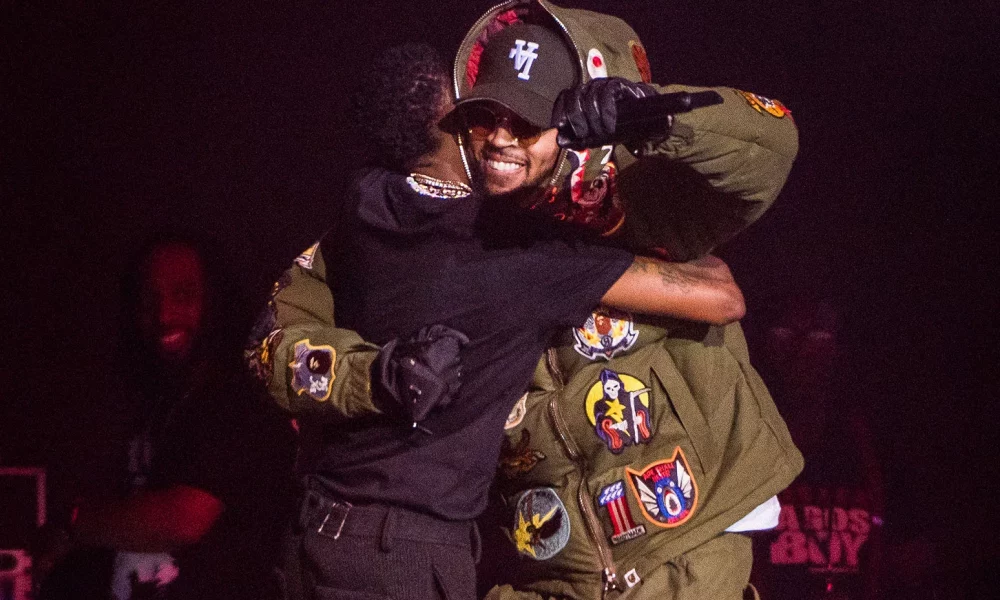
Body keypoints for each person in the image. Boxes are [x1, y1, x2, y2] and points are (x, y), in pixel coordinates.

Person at [246, 42, 747, 600]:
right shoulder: (519, 256)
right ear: (459, 123)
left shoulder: (365, 205)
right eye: (484, 109)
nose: (504, 127)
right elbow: (722, 297)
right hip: (401, 554)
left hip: (312, 532)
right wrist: (602, 201)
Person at [35, 233, 296, 600]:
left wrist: (74, 523)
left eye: (183, 295)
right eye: (149, 300)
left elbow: (184, 518)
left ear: (214, 301)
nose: (164, 315)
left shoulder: (240, 397)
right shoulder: (161, 400)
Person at [748, 297, 885, 600]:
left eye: (818, 336)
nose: (802, 350)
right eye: (786, 335)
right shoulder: (748, 435)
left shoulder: (865, 441)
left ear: (837, 349)